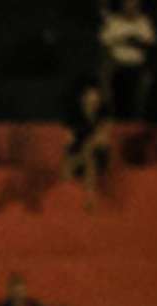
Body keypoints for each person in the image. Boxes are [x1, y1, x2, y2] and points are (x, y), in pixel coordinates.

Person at [99, 0, 157, 120]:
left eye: (134, 4)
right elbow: (104, 42)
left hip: (138, 64)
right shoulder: (113, 21)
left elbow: (150, 43)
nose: (130, 7)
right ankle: (109, 115)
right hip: (116, 63)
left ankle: (138, 118)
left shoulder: (144, 21)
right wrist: (124, 40)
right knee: (105, 72)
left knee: (147, 80)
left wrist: (135, 41)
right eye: (127, 3)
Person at [62, 83, 112, 211]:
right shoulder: (74, 116)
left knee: (90, 152)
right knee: (80, 158)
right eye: (91, 96)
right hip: (78, 155)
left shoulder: (104, 115)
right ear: (83, 98)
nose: (94, 99)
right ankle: (88, 195)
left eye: (96, 96)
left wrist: (89, 144)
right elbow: (68, 140)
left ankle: (90, 197)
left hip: (98, 155)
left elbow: (104, 139)